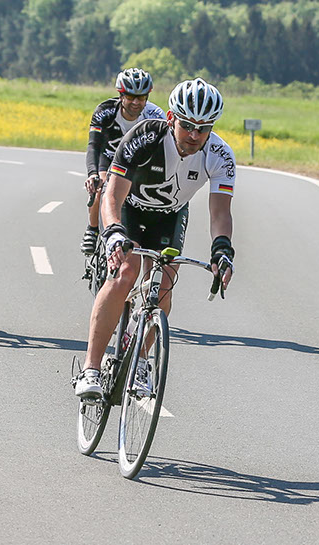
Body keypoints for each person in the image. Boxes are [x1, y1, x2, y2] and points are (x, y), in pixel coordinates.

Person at [75, 78, 236, 400]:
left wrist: (222, 250)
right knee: (125, 273)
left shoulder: (220, 155)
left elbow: (220, 213)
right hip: (130, 209)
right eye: (187, 125)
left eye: (203, 128)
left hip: (170, 216)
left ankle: (141, 359)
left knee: (163, 286)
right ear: (171, 118)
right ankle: (90, 369)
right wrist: (113, 231)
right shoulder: (145, 136)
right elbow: (112, 195)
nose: (194, 135)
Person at [80, 68, 165, 255]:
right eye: (130, 97)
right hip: (109, 157)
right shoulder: (105, 111)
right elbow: (94, 145)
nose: (136, 102)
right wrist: (92, 174)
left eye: (141, 98)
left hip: (138, 162)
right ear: (121, 95)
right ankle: (92, 229)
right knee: (101, 186)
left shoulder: (156, 115)